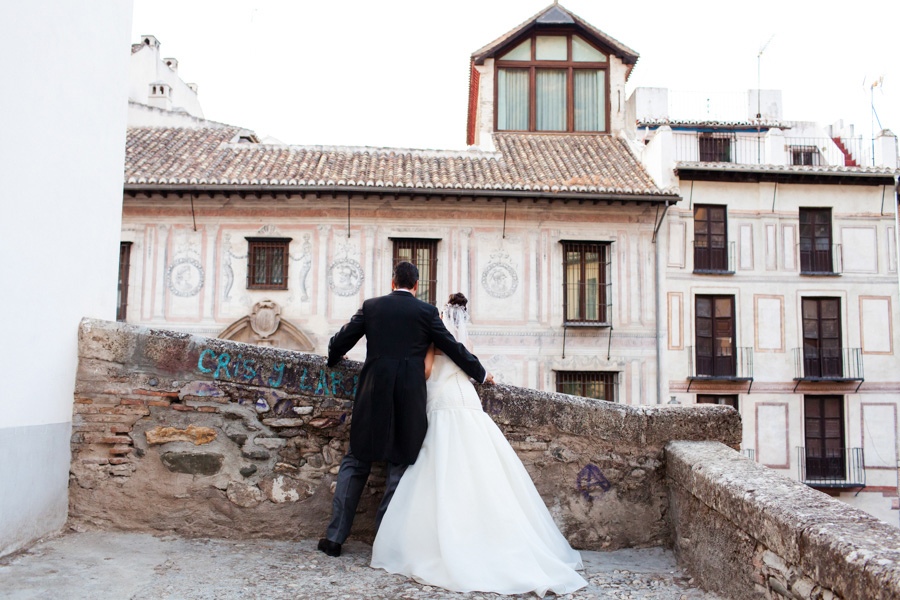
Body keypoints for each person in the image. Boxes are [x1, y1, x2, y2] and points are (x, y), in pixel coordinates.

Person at [371, 292, 588, 597]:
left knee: (439, 467)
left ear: (442, 316)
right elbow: (472, 368)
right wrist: (485, 376)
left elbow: (427, 372)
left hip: (442, 403)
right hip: (467, 404)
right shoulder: (466, 345)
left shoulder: (434, 339)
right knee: (482, 469)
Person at [318, 262, 493, 558]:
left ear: (392, 282)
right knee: (399, 468)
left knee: (356, 461)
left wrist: (335, 355)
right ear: (416, 285)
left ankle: (334, 538)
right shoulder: (425, 312)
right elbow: (452, 347)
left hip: (373, 393)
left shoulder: (372, 307)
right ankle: (385, 543)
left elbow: (344, 338)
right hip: (409, 398)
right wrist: (481, 372)